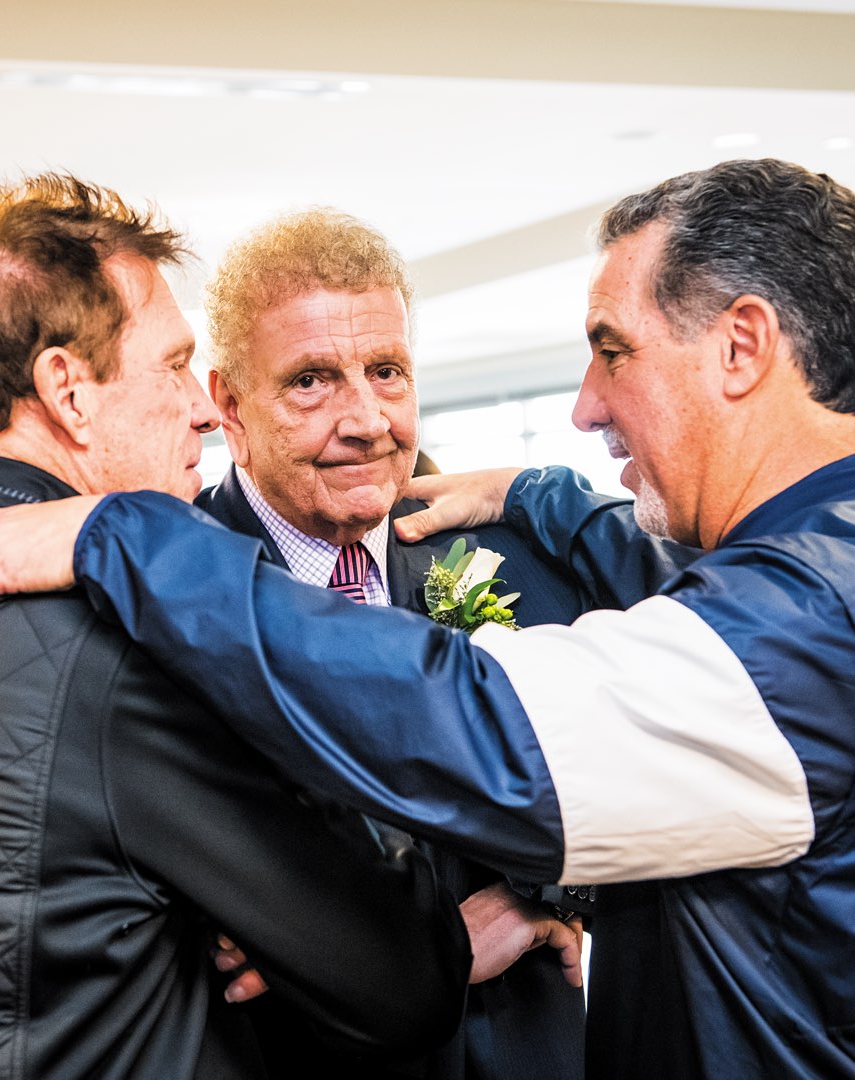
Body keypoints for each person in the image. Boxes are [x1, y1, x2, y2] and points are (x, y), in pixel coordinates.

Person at [0, 158, 855, 1078]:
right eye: (310, 381)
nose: (584, 406)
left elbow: (496, 732)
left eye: (613, 351)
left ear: (742, 346)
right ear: (230, 404)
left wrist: (120, 535)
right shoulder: (769, 565)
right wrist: (545, 493)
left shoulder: (802, 612)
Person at [0, 173, 477, 1080]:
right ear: (68, 390)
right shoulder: (116, 639)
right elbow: (402, 982)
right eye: (174, 367)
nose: (206, 409)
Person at [193, 207, 590, 1080]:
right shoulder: (167, 587)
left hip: (524, 1042)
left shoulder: (503, 555)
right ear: (228, 403)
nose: (368, 420)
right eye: (312, 382)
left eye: (386, 371)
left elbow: (609, 767)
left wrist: (545, 898)